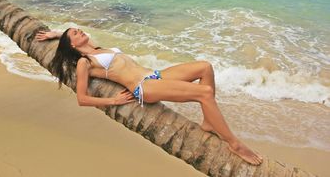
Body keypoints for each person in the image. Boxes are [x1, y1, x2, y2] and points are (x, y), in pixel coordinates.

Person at [36, 28, 263, 166]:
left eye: (78, 29)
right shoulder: (86, 63)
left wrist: (57, 33)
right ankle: (234, 144)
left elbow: (70, 39)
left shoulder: (96, 48)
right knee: (203, 93)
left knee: (205, 67)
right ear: (73, 45)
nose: (80, 31)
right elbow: (82, 98)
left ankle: (207, 122)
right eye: (75, 33)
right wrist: (113, 101)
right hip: (144, 87)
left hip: (154, 74)